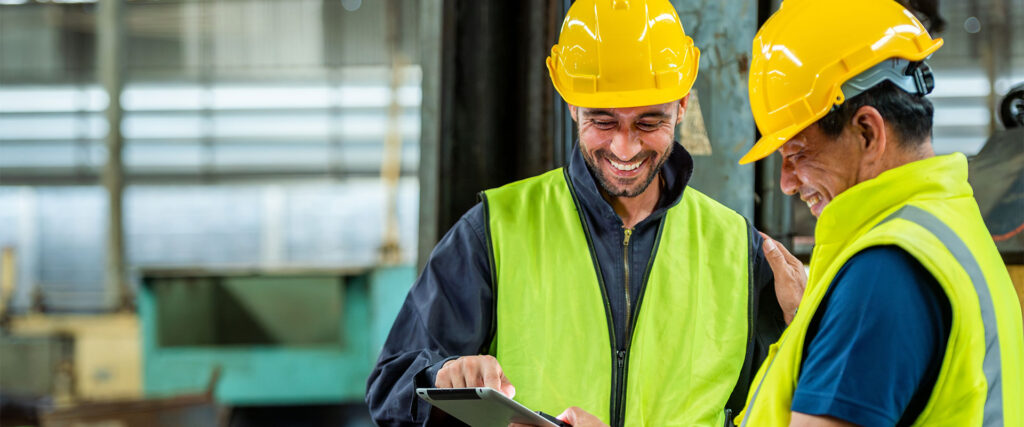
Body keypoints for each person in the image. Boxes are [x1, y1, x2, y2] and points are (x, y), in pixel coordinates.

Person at [365, 1, 797, 426]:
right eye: (603, 121)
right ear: (572, 105)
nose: (624, 148)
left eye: (649, 122)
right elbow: (390, 388)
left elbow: (783, 410)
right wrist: (439, 378)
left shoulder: (740, 251)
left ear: (682, 105)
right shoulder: (494, 231)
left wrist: (811, 327)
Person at [730, 0, 1024, 426]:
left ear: (867, 132)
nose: (786, 183)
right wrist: (815, 324)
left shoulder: (885, 272)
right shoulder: (949, 223)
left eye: (795, 153)